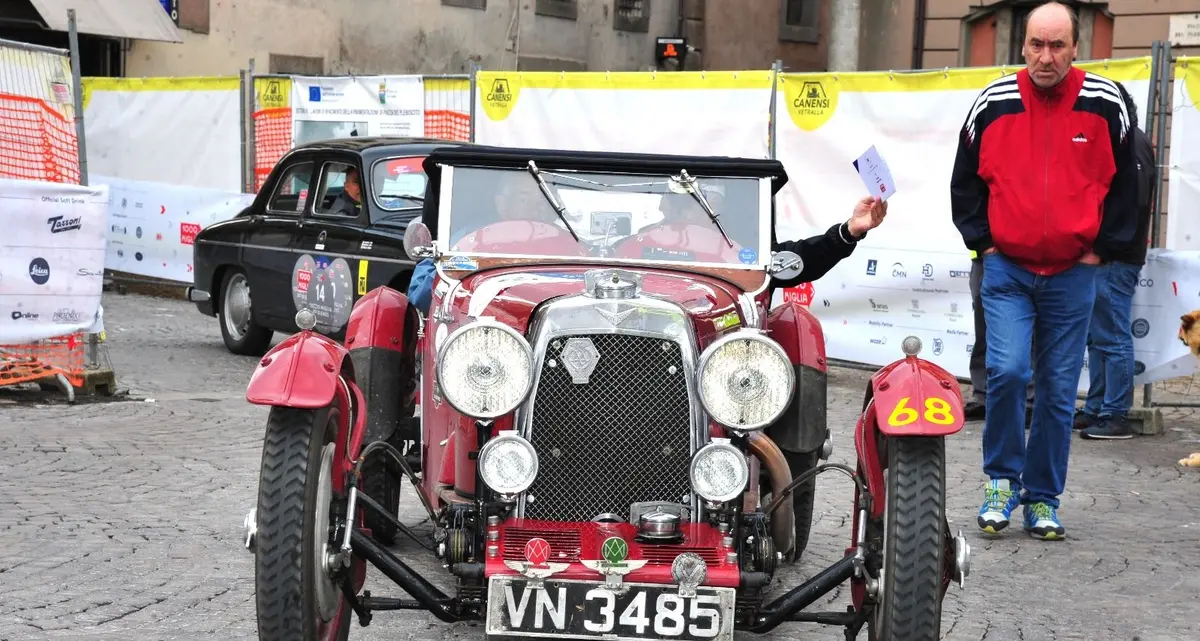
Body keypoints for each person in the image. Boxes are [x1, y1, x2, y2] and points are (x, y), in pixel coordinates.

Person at [950, 0, 1139, 541]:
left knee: (1057, 390)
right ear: (1024, 46)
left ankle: (1043, 498)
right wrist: (983, 244)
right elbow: (965, 180)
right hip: (1007, 269)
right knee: (1008, 374)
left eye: (1058, 45)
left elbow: (1130, 183)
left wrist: (1102, 249)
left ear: (1076, 48)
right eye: (1036, 44)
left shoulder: (1106, 102)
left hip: (1074, 272)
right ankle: (1000, 484)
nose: (1046, 56)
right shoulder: (993, 101)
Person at [408, 195, 891, 314]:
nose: (686, 214)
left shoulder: (734, 256)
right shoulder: (623, 252)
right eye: (678, 204)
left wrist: (848, 231)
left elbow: (792, 262)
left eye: (701, 204)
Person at [1077, 80, 1157, 440]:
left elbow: (1133, 203)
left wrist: (1103, 248)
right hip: (1110, 255)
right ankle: (1097, 409)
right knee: (1099, 338)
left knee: (1111, 337)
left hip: (1114, 258)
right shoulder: (1129, 140)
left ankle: (1114, 413)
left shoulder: (1132, 143)